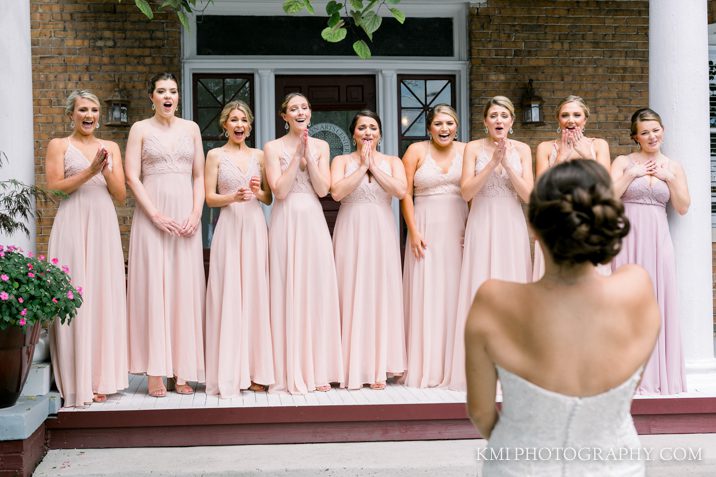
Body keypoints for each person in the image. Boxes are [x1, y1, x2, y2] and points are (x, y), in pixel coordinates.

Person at [466, 160, 660, 476]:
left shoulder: (494, 300)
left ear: (534, 225)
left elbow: (481, 413)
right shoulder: (637, 286)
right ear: (606, 221)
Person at [443, 96, 533, 391]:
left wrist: (506, 161)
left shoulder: (522, 150)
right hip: (482, 223)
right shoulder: (473, 148)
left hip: (511, 224)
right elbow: (467, 192)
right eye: (493, 116)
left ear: (512, 121)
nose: (498, 121)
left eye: (504, 116)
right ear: (485, 121)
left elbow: (529, 196)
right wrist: (492, 162)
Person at [126, 73, 206, 397]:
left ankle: (182, 370)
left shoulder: (192, 129)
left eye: (172, 91)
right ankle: (156, 369)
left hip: (186, 219)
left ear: (178, 97)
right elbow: (132, 176)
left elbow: (199, 175)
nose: (167, 96)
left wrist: (196, 214)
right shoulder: (140, 129)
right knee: (153, 287)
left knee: (183, 289)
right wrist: (155, 214)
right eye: (161, 91)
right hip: (152, 217)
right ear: (152, 97)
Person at [46, 90, 128, 407]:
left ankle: (102, 377)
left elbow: (120, 194)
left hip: (103, 223)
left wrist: (105, 170)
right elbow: (55, 188)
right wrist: (89, 171)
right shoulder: (59, 145)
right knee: (75, 293)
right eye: (83, 109)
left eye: (94, 109)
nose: (89, 115)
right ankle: (76, 377)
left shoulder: (111, 147)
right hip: (71, 221)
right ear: (72, 114)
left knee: (103, 295)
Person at [263, 92, 343, 394]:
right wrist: (296, 156)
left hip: (312, 219)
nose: (300, 112)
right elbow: (279, 192)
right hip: (285, 221)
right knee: (287, 289)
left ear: (310, 114)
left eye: (305, 108)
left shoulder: (322, 146)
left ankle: (319, 368)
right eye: (294, 109)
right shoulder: (272, 148)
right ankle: (288, 368)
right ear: (284, 116)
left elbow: (324, 189)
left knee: (316, 290)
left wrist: (310, 155)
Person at [611, 108, 690, 395]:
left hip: (658, 240)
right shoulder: (623, 161)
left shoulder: (674, 166)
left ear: (663, 130)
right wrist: (631, 174)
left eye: (655, 130)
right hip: (628, 238)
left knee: (657, 303)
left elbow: (682, 207)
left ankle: (657, 375)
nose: (651, 136)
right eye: (644, 132)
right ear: (636, 137)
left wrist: (669, 177)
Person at [331, 110, 407, 390]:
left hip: (381, 230)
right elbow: (336, 193)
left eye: (373, 127)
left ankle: (379, 366)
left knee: (379, 293)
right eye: (362, 127)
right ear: (353, 133)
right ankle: (350, 365)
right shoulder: (340, 161)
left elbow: (400, 191)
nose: (367, 132)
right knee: (350, 291)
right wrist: (362, 166)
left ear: (380, 134)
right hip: (351, 229)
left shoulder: (392, 161)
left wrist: (373, 165)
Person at [204, 101, 274, 397]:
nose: (239, 124)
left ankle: (257, 372)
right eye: (233, 119)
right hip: (229, 227)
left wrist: (257, 191)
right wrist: (232, 196)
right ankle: (229, 370)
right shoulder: (214, 155)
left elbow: (269, 198)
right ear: (225, 124)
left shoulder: (260, 155)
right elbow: (209, 198)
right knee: (229, 292)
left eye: (243, 119)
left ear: (250, 125)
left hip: (255, 226)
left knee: (255, 293)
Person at [401, 104, 468, 388]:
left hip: (458, 227)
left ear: (456, 126)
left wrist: (472, 228)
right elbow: (404, 193)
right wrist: (413, 231)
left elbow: (474, 191)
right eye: (439, 124)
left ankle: (456, 365)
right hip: (425, 228)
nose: (444, 129)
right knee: (426, 291)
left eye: (450, 123)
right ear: (429, 127)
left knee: (455, 292)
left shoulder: (467, 151)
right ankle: (425, 364)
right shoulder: (416, 151)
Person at [533, 95, 612, 280]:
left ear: (585, 119)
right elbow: (541, 189)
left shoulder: (599, 145)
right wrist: (561, 157)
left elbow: (606, 185)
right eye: (565, 115)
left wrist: (586, 155)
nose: (571, 120)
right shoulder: (545, 148)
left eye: (577, 115)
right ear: (558, 119)